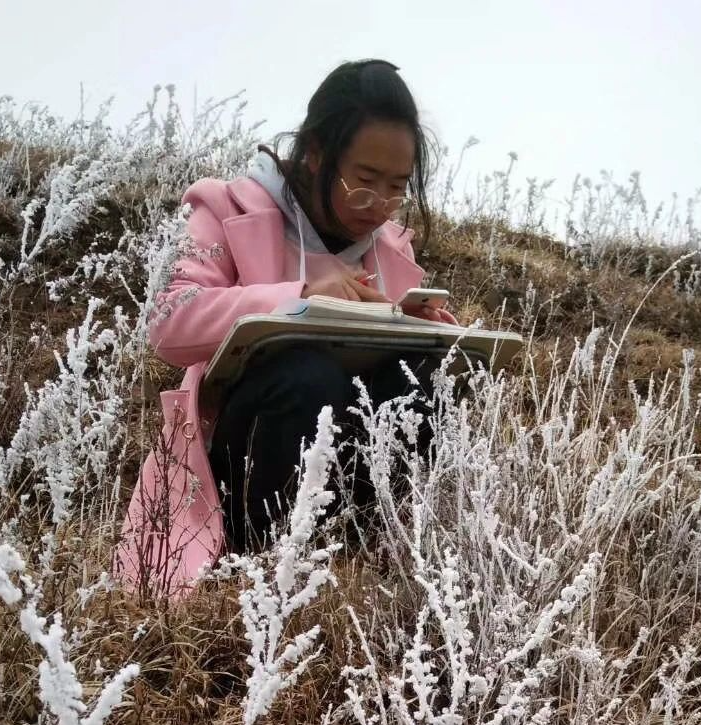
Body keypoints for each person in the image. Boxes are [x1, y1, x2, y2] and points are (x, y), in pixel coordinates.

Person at [114, 59, 455, 598]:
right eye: (364, 181)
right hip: (240, 455)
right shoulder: (225, 206)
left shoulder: (391, 243)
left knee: (421, 378)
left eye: (396, 187)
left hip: (343, 458)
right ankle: (257, 564)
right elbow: (169, 320)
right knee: (305, 374)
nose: (380, 206)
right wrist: (295, 296)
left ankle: (354, 554)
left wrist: (417, 325)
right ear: (315, 153)